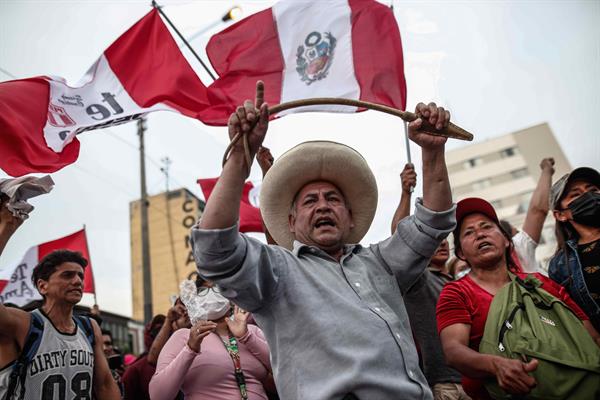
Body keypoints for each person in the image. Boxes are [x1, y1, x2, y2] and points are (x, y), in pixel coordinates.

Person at [191, 81, 456, 399]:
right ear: (291, 222)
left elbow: (433, 222)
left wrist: (432, 151)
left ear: (350, 216)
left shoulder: (382, 263)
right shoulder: (277, 272)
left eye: (332, 198)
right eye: (309, 201)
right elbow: (214, 250)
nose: (322, 206)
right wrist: (238, 160)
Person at [436, 197, 599, 399]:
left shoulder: (541, 283)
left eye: (486, 227)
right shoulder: (456, 292)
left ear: (506, 240)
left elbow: (589, 335)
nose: (479, 234)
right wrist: (495, 365)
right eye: (469, 232)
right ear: (460, 252)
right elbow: (453, 350)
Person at [391, 165, 468, 399]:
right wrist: (406, 193)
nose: (442, 242)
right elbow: (399, 239)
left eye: (445, 237)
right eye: (434, 238)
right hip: (446, 384)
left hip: (480, 379)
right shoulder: (418, 281)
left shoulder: (462, 282)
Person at [149, 286, 272, 400]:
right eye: (203, 290)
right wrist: (190, 349)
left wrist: (246, 337)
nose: (211, 292)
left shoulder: (251, 330)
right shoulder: (183, 336)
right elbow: (158, 395)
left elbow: (283, 369)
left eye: (216, 287)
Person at [548, 167, 600, 331]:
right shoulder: (560, 265)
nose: (588, 195)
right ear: (560, 215)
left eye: (593, 189)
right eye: (576, 194)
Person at [498, 157, 556, 273]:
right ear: (507, 238)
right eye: (516, 231)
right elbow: (538, 210)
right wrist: (547, 170)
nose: (520, 232)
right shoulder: (518, 246)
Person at [122, 313, 168, 400]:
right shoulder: (136, 370)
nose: (162, 335)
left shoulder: (183, 358)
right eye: (158, 331)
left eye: (166, 330)